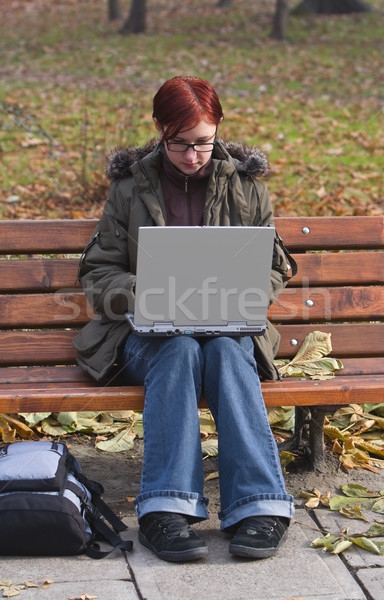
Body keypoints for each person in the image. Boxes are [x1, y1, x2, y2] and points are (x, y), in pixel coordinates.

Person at [74, 76, 295, 563]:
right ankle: (164, 512)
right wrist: (146, 293)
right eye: (180, 144)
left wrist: (240, 295)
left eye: (204, 143)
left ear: (218, 130)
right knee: (177, 349)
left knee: (222, 349)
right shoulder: (130, 189)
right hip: (145, 335)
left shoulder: (246, 188)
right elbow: (98, 270)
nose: (193, 156)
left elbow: (274, 265)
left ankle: (259, 506)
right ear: (159, 130)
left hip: (225, 329)